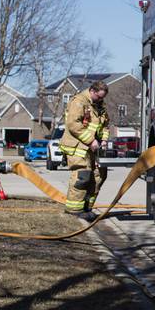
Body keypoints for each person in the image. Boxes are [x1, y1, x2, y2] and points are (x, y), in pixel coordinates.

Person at [61, 80, 110, 220]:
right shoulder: (79, 102)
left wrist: (104, 140)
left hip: (93, 148)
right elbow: (73, 124)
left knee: (99, 176)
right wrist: (91, 140)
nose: (101, 99)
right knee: (82, 176)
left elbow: (105, 125)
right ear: (92, 91)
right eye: (99, 96)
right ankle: (74, 211)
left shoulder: (99, 105)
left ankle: (86, 208)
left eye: (103, 97)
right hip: (78, 147)